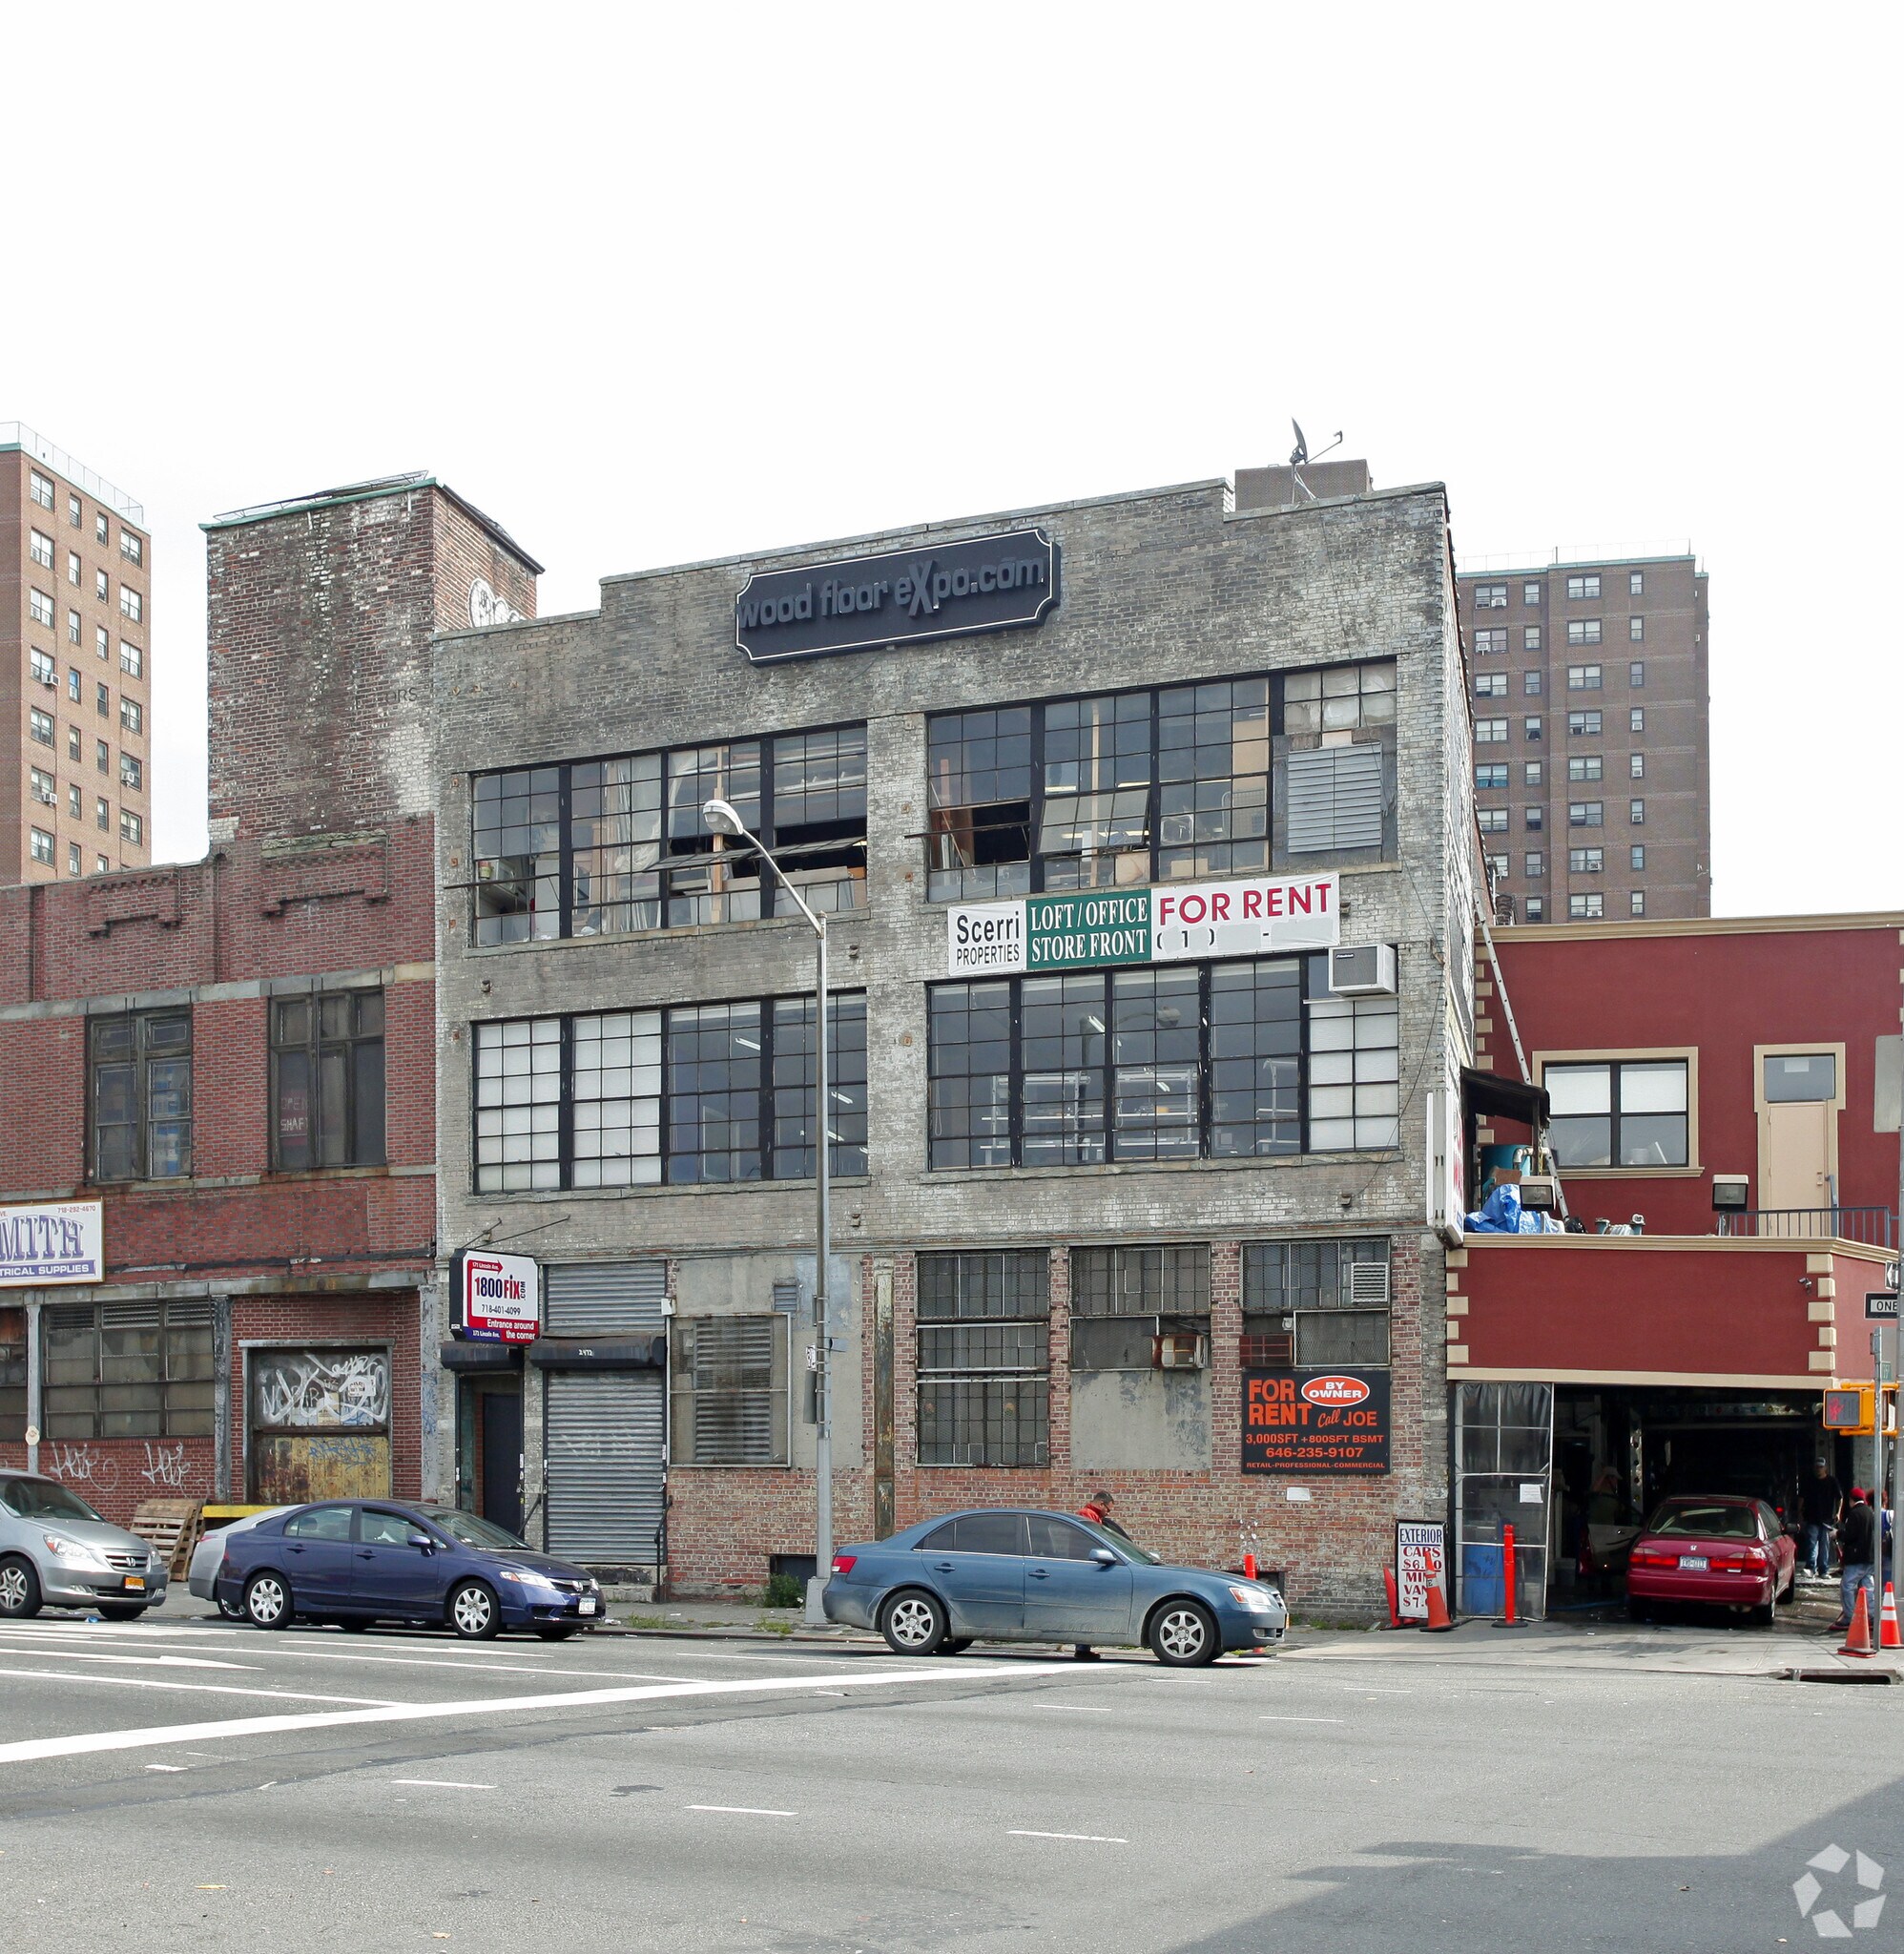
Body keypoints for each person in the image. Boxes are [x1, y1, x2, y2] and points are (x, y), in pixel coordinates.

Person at [1071, 1490, 1130, 1661]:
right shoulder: (1087, 1515)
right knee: (1085, 1606)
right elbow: (1093, 1540)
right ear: (1100, 1504)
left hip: (1089, 1565)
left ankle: (1084, 1647)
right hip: (1087, 1567)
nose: (1108, 1513)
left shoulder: (1094, 1516)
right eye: (1108, 1509)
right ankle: (1082, 1648)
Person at [1832, 1486, 1877, 1632]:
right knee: (1868, 1586)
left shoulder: (1855, 1514)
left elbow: (1850, 1535)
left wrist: (1837, 1533)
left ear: (1851, 1500)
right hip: (1869, 1557)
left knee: (1847, 1586)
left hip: (1856, 1558)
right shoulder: (1870, 1513)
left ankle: (1849, 1617)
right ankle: (1871, 1615)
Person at [1800, 1459, 1842, 1578]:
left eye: (1820, 1467)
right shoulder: (1809, 1481)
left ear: (1825, 1468)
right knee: (1812, 1544)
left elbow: (1840, 1497)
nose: (1818, 1469)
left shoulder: (1832, 1481)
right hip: (1811, 1518)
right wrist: (1800, 1513)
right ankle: (1811, 1568)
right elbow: (1801, 1497)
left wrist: (1838, 1513)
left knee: (1824, 1545)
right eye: (1817, 1467)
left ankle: (1823, 1570)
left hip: (1827, 1519)